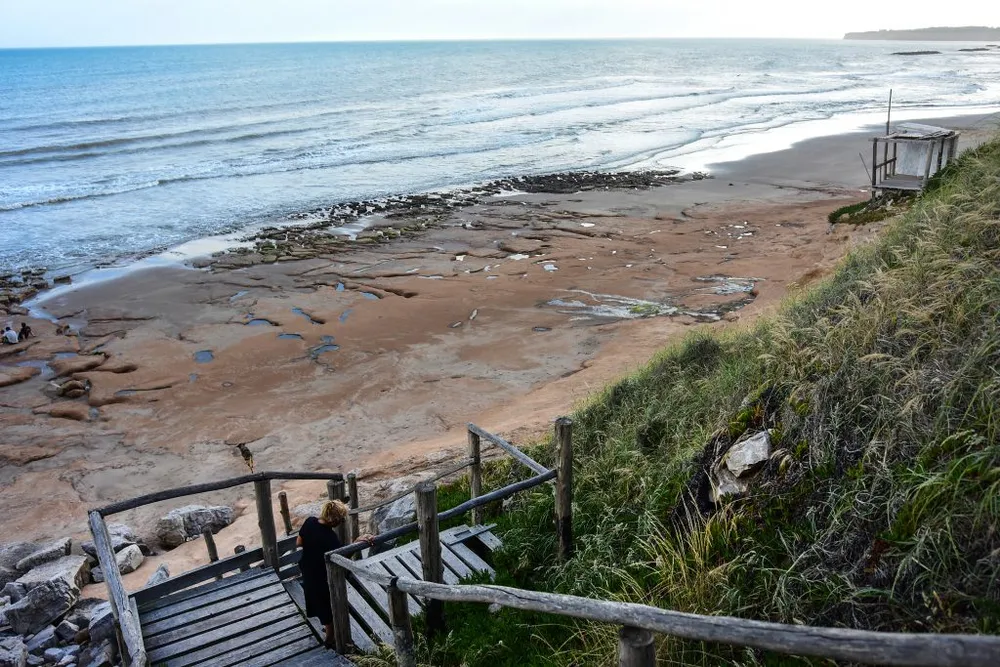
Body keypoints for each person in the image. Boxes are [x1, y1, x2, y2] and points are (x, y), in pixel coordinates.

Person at [297, 500, 375, 647]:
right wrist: (356, 543)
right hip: (323, 574)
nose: (342, 521)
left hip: (307, 568)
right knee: (327, 604)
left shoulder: (309, 522)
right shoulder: (330, 537)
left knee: (315, 599)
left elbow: (299, 542)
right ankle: (331, 639)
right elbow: (341, 557)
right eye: (341, 519)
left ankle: (328, 632)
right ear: (334, 520)